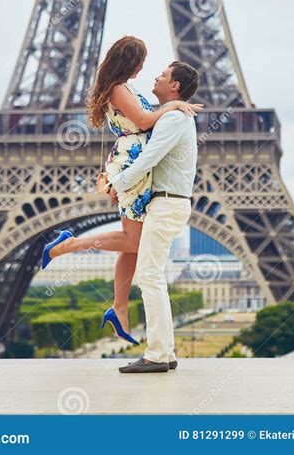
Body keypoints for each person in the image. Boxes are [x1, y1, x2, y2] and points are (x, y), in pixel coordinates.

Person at [40, 36, 202, 346]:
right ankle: (69, 245)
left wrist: (170, 109)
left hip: (135, 164)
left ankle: (119, 308)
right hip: (131, 164)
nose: (148, 69)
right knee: (133, 240)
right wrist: (173, 107)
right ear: (130, 62)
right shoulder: (118, 89)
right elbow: (142, 121)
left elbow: (145, 123)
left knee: (134, 244)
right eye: (142, 61)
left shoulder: (125, 88)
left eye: (159, 72)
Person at [105, 60, 200, 373]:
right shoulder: (172, 114)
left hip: (167, 202)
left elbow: (148, 157)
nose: (156, 76)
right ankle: (165, 352)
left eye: (163, 75)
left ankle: (159, 354)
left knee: (149, 275)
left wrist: (116, 183)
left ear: (174, 86)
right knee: (151, 275)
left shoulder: (174, 117)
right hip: (166, 202)